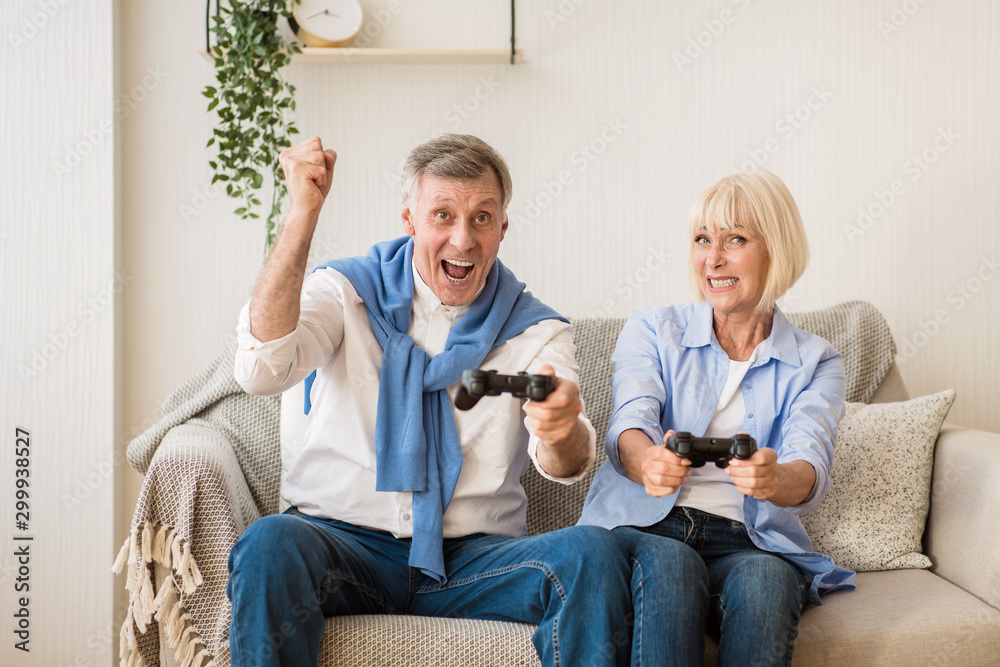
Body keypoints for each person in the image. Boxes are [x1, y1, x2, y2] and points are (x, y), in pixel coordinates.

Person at [227, 133, 631, 667]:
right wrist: (303, 215)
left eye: (482, 218)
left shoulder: (537, 330)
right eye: (443, 215)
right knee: (269, 543)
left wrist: (561, 431)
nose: (463, 240)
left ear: (503, 229)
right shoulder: (346, 291)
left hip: (474, 562)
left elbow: (568, 464)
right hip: (344, 544)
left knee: (592, 555)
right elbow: (260, 369)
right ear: (409, 220)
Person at [577, 170, 856, 666]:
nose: (713, 258)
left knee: (769, 581)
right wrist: (647, 464)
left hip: (748, 540)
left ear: (777, 249)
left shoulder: (818, 362)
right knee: (674, 567)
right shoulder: (652, 329)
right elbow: (630, 419)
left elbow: (809, 462)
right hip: (650, 528)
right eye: (703, 239)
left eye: (736, 240)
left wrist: (773, 478)